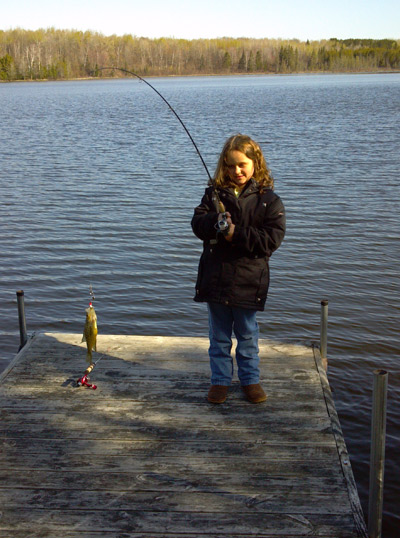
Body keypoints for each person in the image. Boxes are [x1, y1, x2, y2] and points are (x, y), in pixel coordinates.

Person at [191, 134, 285, 404]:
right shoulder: (213, 194)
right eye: (230, 165)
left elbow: (271, 240)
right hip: (215, 278)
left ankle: (250, 380)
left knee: (247, 336)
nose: (236, 171)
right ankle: (220, 381)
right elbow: (197, 224)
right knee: (218, 337)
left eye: (242, 164)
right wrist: (214, 220)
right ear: (223, 165)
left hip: (248, 281)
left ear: (256, 163)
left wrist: (236, 234)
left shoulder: (270, 201)